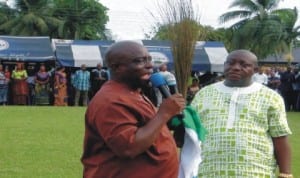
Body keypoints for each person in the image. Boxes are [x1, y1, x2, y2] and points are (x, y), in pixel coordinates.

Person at [81, 40, 185, 178]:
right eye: (139, 61)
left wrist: (169, 123)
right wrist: (163, 114)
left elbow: (144, 126)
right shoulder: (110, 101)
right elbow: (129, 147)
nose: (149, 66)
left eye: (149, 60)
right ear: (117, 67)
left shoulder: (133, 92)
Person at [191, 49, 292, 177]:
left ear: (255, 70)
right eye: (230, 63)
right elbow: (191, 134)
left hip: (256, 172)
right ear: (224, 65)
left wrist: (285, 173)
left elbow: (280, 138)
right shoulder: (204, 94)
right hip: (208, 171)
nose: (235, 68)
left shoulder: (271, 98)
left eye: (244, 65)